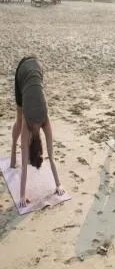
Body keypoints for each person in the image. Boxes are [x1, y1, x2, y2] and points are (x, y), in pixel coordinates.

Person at [10, 56, 64, 208]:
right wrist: (58, 185)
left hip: (38, 67)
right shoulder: (27, 127)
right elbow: (49, 158)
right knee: (20, 119)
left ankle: (13, 151)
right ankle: (13, 148)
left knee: (21, 117)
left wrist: (22, 196)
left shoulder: (46, 121)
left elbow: (48, 159)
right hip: (25, 71)